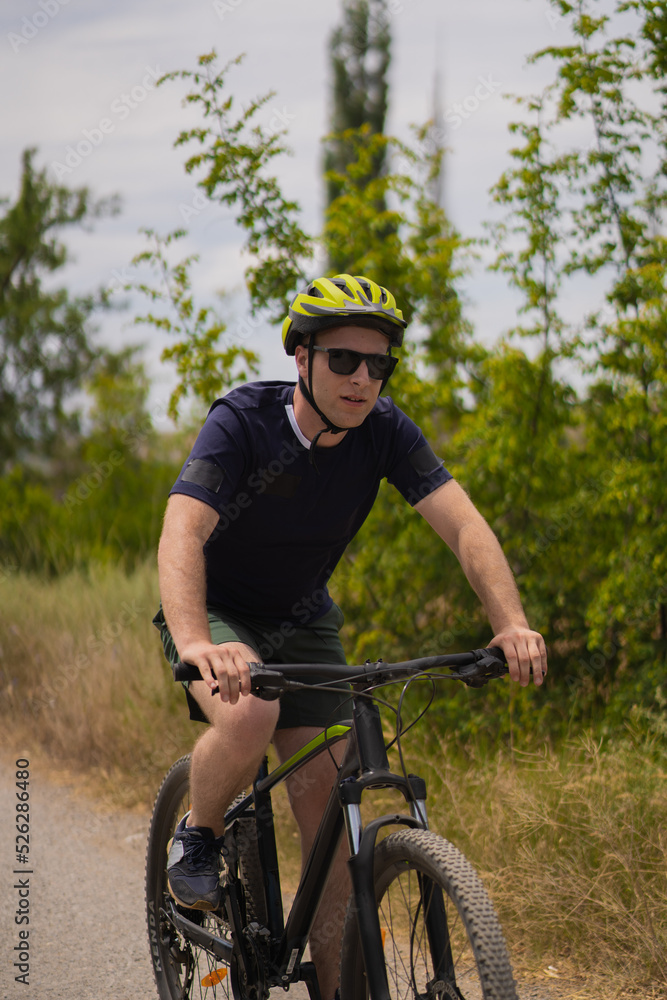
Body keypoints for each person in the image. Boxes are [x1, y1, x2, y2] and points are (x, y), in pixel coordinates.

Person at [154, 273, 547, 1000]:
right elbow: (183, 530)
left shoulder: (385, 432)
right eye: (343, 360)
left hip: (304, 619)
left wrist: (509, 623)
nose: (363, 378)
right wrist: (193, 639)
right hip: (220, 611)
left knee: (334, 826)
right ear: (300, 359)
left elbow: (462, 526)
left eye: (378, 364)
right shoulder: (242, 422)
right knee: (249, 714)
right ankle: (198, 834)